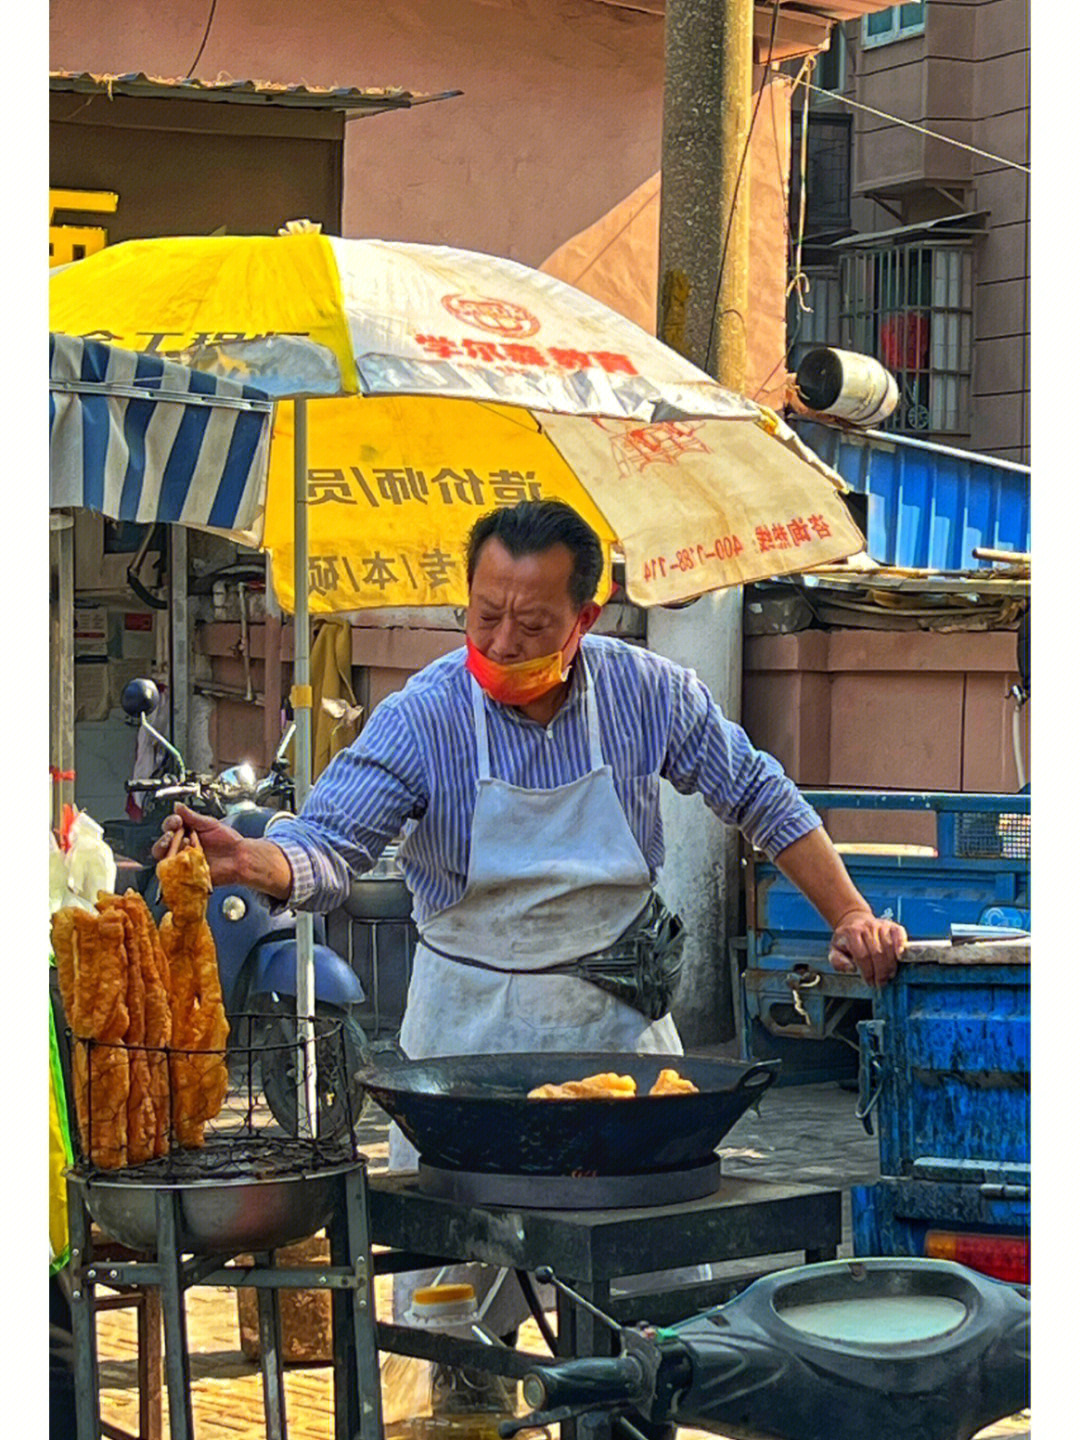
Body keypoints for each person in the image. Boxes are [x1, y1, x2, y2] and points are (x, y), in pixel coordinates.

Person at [155, 498, 905, 1328]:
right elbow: (331, 844)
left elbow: (758, 794)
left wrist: (851, 915)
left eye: (532, 624)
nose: (502, 643)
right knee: (450, 1314)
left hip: (615, 1040)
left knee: (644, 1313)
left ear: (585, 616)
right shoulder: (422, 715)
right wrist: (253, 861)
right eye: (485, 616)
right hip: (465, 1055)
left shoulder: (648, 693)